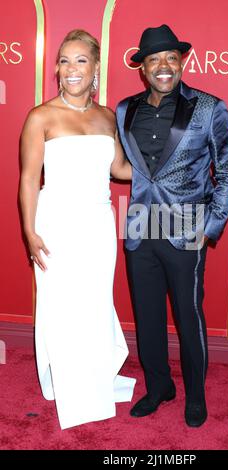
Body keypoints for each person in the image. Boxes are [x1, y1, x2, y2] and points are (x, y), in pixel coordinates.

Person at [116, 24, 228, 427]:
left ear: (181, 61)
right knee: (147, 315)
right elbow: (127, 167)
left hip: (187, 226)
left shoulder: (209, 107)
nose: (163, 66)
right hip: (139, 225)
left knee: (189, 317)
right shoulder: (124, 109)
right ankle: (158, 388)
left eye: (171, 57)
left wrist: (212, 224)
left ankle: (196, 396)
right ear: (143, 68)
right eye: (154, 59)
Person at [19, 29, 135, 430]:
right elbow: (30, 179)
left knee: (95, 301)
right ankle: (75, 388)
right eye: (65, 61)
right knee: (63, 304)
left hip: (99, 224)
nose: (72, 69)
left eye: (81, 60)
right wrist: (30, 232)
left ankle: (95, 376)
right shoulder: (41, 116)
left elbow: (119, 169)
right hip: (57, 222)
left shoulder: (107, 117)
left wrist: (164, 164)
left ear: (96, 68)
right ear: (56, 68)